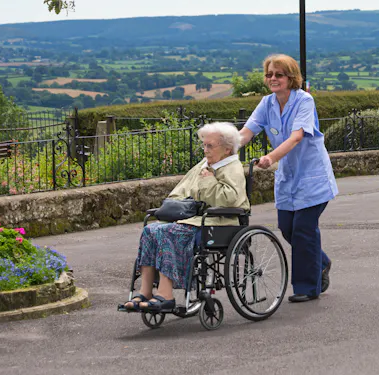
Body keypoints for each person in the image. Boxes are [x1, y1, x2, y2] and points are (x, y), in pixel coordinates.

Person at [240, 54, 338, 303]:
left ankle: (307, 287)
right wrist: (220, 151)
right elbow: (247, 132)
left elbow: (296, 137)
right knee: (287, 228)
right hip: (288, 178)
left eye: (279, 75)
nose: (273, 79)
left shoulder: (304, 101)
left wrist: (270, 158)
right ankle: (321, 262)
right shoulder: (267, 103)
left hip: (312, 176)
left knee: (304, 229)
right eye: (270, 74)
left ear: (291, 78)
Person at [121, 122, 249, 312]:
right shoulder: (204, 165)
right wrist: (177, 206)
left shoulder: (233, 167)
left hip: (220, 222)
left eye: (210, 146)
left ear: (227, 148)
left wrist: (208, 181)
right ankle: (145, 291)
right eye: (204, 145)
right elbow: (179, 191)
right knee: (150, 230)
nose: (205, 150)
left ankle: (166, 294)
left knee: (168, 232)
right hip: (193, 220)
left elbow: (229, 200)